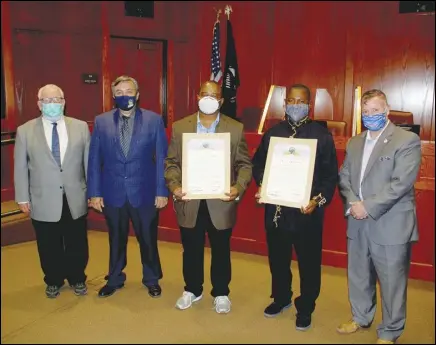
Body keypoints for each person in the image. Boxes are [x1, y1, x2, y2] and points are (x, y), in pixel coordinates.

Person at [336, 89, 421, 345]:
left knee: (392, 280)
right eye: (366, 112)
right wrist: (353, 203)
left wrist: (367, 206)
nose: (371, 115)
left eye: (376, 110)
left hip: (391, 222)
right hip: (357, 220)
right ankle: (361, 316)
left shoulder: (406, 140)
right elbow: (344, 176)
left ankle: (390, 330)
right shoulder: (355, 142)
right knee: (359, 274)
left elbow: (401, 183)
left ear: (387, 109)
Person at [252, 84, 338, 330]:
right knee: (278, 260)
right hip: (277, 210)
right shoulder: (272, 133)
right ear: (285, 103)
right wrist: (263, 185)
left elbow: (330, 176)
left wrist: (317, 201)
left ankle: (306, 306)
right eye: (291, 100)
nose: (296, 105)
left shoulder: (321, 135)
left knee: (309, 263)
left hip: (306, 212)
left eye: (301, 101)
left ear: (309, 105)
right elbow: (259, 165)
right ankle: (281, 298)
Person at [164, 81, 252, 314]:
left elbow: (244, 165)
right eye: (205, 94)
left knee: (221, 249)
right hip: (189, 200)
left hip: (220, 202)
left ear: (221, 101)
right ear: (197, 96)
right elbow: (171, 163)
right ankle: (192, 289)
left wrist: (238, 187)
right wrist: (175, 186)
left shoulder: (235, 128)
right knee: (190, 248)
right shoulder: (180, 127)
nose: (209, 98)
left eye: (215, 95)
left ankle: (221, 292)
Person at [87, 75, 168, 298]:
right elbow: (94, 159)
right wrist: (94, 193)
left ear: (138, 94)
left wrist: (162, 191)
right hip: (113, 192)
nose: (125, 96)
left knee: (148, 239)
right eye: (120, 93)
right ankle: (114, 278)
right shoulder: (101, 121)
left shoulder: (153, 120)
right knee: (115, 239)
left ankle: (152, 279)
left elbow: (162, 157)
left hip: (145, 192)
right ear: (114, 96)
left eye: (129, 91)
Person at [14, 84, 90, 298]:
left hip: (75, 196)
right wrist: (22, 197)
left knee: (76, 242)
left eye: (57, 99)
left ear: (64, 102)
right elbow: (20, 167)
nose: (53, 104)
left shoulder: (81, 127)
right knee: (48, 244)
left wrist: (93, 193)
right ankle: (53, 279)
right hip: (43, 198)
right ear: (39, 104)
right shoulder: (25, 131)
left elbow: (88, 164)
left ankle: (77, 278)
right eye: (47, 101)